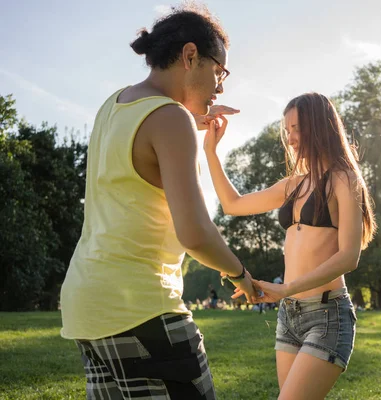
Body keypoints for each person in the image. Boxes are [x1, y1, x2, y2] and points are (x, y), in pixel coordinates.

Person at [59, 4, 257, 399]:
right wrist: (241, 276)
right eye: (219, 72)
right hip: (142, 308)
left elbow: (136, 158)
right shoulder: (170, 119)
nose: (221, 87)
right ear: (189, 56)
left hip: (87, 304)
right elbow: (195, 233)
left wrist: (186, 119)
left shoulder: (114, 105)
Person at [204, 92, 376, 399]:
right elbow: (232, 204)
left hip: (327, 314)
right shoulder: (293, 185)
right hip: (290, 315)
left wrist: (287, 288)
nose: (291, 138)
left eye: (297, 128)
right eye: (288, 131)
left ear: (319, 126)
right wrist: (211, 152)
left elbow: (349, 257)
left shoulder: (344, 180)